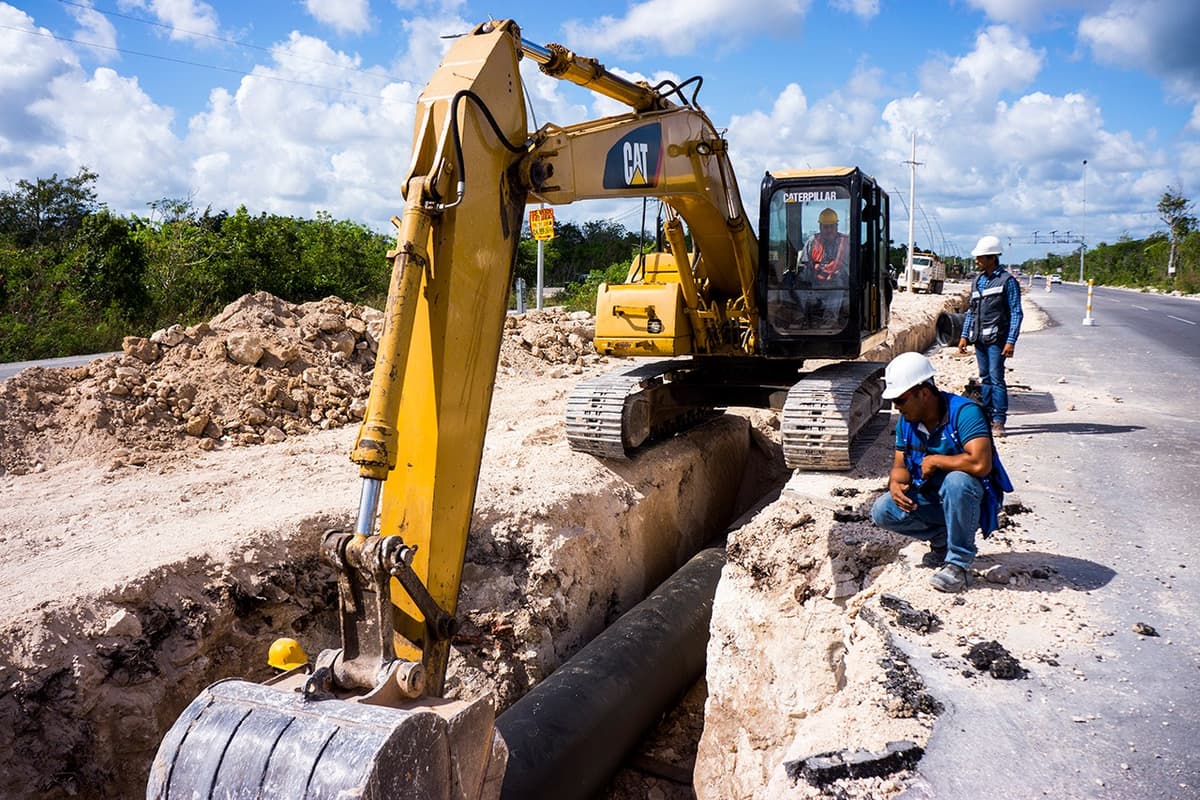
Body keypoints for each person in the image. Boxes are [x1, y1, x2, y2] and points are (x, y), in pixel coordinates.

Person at [870, 352, 1009, 593]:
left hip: (970, 500)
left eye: (900, 400)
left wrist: (936, 460)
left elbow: (980, 464)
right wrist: (895, 483)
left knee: (957, 482)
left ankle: (958, 566)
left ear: (923, 393)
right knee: (883, 511)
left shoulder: (964, 413)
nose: (897, 407)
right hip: (934, 498)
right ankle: (943, 539)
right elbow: (900, 464)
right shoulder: (907, 422)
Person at [957, 235, 1023, 438]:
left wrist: (1011, 341)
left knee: (996, 379)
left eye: (980, 258)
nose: (977, 261)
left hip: (997, 340)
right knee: (985, 379)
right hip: (979, 339)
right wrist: (964, 336)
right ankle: (986, 416)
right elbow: (971, 311)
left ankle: (999, 420)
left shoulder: (1007, 281)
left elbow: (1016, 312)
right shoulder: (978, 281)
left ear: (992, 258)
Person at [797, 207, 850, 285]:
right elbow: (804, 268)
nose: (829, 230)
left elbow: (853, 271)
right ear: (820, 227)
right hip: (815, 287)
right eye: (825, 227)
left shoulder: (847, 243)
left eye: (832, 226)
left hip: (842, 289)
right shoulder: (812, 242)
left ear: (837, 226)